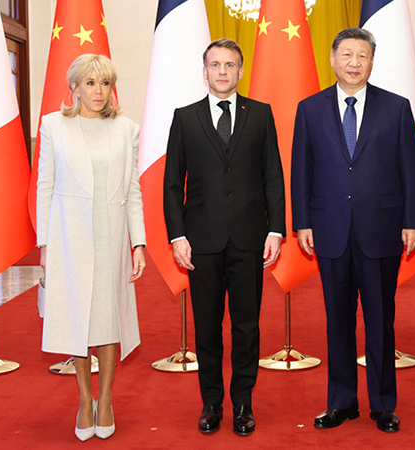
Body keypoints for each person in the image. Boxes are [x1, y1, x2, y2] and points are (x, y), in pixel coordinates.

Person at [290, 28, 415, 433]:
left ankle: (383, 404)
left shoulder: (396, 108)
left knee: (381, 320)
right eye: (346, 54)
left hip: (381, 229)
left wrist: (412, 221)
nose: (354, 62)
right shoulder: (309, 109)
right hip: (329, 229)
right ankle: (341, 402)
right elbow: (301, 169)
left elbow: (411, 169)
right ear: (333, 58)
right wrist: (302, 221)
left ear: (371, 61)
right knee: (338, 321)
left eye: (362, 55)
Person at [163, 38, 285, 437]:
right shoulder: (185, 118)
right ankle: (212, 403)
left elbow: (273, 175)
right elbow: (171, 184)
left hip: (250, 238)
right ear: (204, 71)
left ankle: (243, 403)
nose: (222, 71)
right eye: (215, 64)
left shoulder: (261, 114)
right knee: (208, 327)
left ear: (240, 71)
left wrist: (275, 228)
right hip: (201, 242)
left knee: (247, 327)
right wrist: (177, 235)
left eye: (229, 64)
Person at [36, 54, 146, 442]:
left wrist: (138, 243)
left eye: (105, 83)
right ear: (75, 87)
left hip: (112, 236)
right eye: (90, 83)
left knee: (108, 319)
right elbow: (45, 186)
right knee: (77, 321)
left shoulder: (127, 129)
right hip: (70, 237)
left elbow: (133, 190)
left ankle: (107, 398)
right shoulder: (53, 125)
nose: (98, 91)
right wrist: (45, 244)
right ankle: (85, 399)